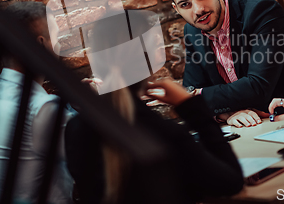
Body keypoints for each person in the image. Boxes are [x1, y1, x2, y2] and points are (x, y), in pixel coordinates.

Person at [64, 11, 244, 204]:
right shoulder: (166, 135)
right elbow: (231, 182)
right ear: (149, 62)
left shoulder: (76, 129)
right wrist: (191, 107)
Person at [0, 1, 74, 204]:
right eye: (58, 37)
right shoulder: (42, 109)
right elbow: (96, 155)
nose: (61, 45)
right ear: (41, 44)